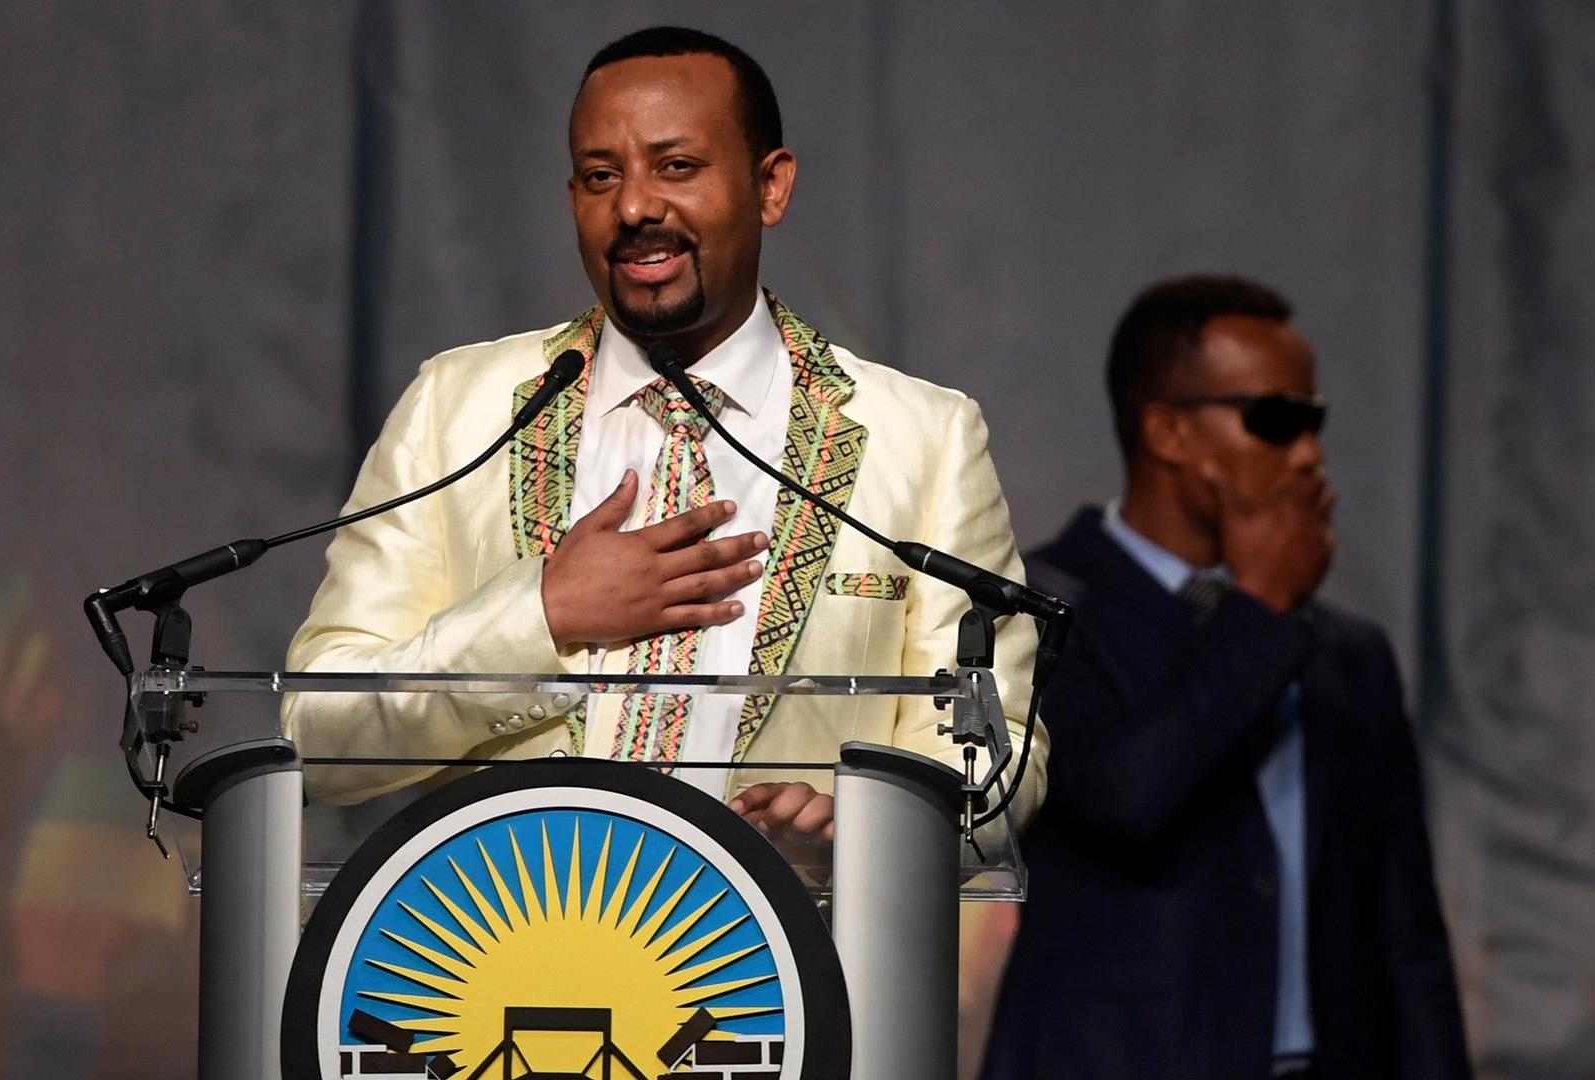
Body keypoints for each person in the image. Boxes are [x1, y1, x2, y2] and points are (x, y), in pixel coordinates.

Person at [280, 26, 1044, 842]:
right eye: (601, 176)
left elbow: (1003, 766)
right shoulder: (458, 410)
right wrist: (540, 615)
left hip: (792, 957)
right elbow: (314, 734)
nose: (636, 207)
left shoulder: (921, 441)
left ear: (771, 186)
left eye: (676, 167)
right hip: (506, 950)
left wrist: (863, 834)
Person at [980, 275, 1470, 1078]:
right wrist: (1263, 608)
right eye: (1278, 420)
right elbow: (1123, 800)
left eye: (1315, 422)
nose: (1309, 454)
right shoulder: (1035, 607)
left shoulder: (1350, 653)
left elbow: (1407, 937)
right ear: (1169, 432)